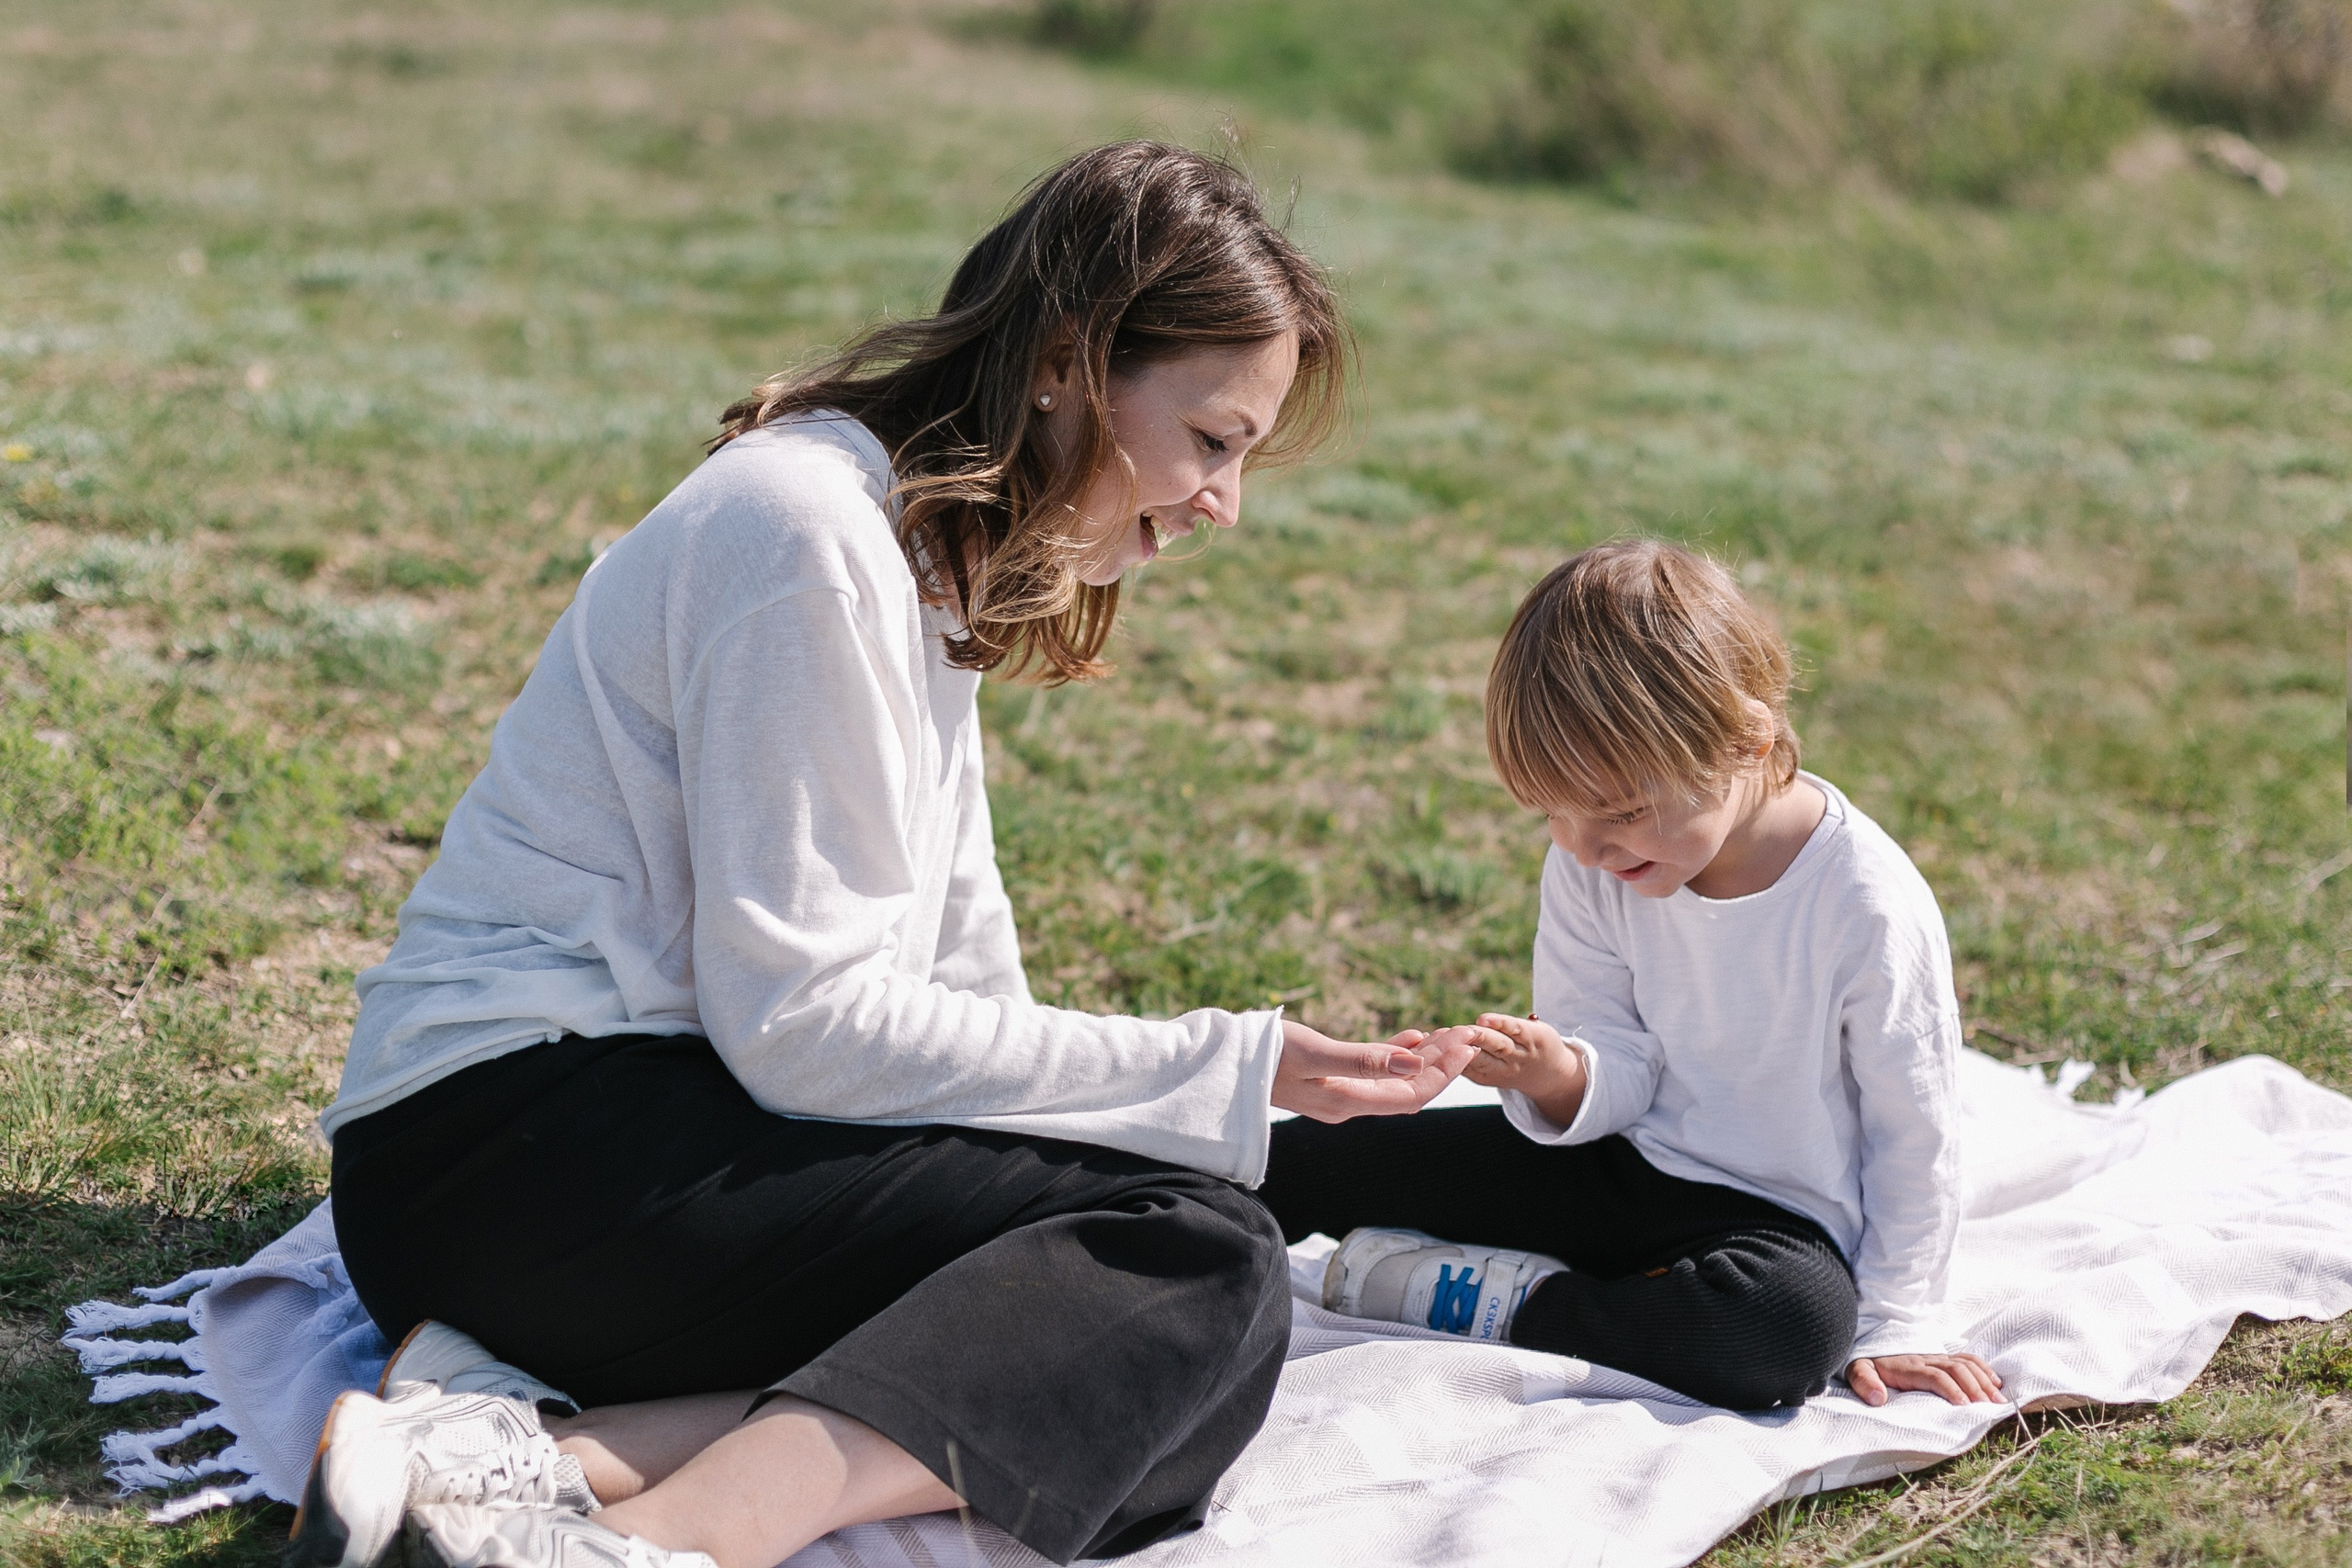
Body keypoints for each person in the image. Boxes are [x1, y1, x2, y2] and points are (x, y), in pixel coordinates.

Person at [288, 141, 1479, 1568]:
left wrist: (1150, 1128)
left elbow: (962, 970)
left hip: (623, 1130)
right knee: (1190, 1266)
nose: (1226, 501)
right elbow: (803, 1025)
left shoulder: (921, 558)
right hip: (508, 1148)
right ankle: (655, 1542)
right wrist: (1217, 1069)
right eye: (1214, 439)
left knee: (1176, 1310)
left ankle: (523, 1458)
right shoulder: (806, 532)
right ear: (1067, 363)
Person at [1258, 541, 2006, 1413]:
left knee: (1788, 1333)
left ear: (1744, 741)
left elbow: (1915, 1128)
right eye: (1552, 813)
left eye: (1619, 812)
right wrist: (1560, 1074)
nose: (1581, 845)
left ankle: (1517, 1305)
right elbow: (1617, 1053)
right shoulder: (1594, 862)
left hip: (1766, 1220)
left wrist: (1901, 1317)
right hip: (1613, 1163)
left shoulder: (1864, 901)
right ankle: (1107, 1193)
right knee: (1302, 1154)